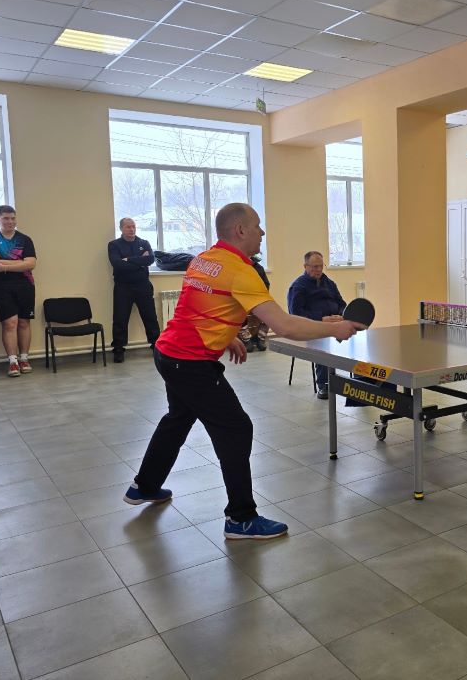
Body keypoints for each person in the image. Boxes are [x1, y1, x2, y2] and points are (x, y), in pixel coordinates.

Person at [125, 203, 362, 540]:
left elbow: (197, 308)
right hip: (190, 362)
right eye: (257, 226)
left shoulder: (204, 259)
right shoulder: (240, 271)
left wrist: (228, 335)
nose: (262, 233)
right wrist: (334, 329)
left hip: (168, 352)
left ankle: (145, 486)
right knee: (236, 428)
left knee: (178, 418)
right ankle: (241, 518)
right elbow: (285, 325)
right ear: (240, 230)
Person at [0, 205, 37, 378]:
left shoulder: (25, 239)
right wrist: (20, 263)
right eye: (6, 218)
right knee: (10, 323)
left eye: (13, 218)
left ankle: (24, 358)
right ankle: (13, 361)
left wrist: (4, 265)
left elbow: (31, 264)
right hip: (2, 287)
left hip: (25, 285)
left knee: (24, 322)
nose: (10, 222)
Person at [287, 251, 346, 399]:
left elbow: (342, 304)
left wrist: (341, 315)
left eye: (320, 266)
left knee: (358, 335)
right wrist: (321, 319)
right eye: (314, 267)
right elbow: (295, 313)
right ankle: (324, 384)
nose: (318, 270)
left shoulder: (329, 283)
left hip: (334, 323)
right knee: (324, 342)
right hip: (311, 327)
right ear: (305, 266)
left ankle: (360, 380)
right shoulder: (298, 286)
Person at [108, 217, 161, 363]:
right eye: (128, 227)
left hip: (143, 285)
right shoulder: (114, 245)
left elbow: (150, 260)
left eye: (133, 226)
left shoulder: (144, 243)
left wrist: (128, 259)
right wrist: (139, 261)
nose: (131, 229)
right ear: (121, 229)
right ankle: (118, 349)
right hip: (123, 287)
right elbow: (117, 264)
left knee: (150, 317)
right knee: (120, 319)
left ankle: (156, 346)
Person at [242, 255, 270, 353]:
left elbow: (266, 284)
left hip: (258, 297)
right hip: (242, 298)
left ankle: (260, 338)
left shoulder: (259, 268)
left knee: (268, 315)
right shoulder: (238, 267)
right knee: (239, 317)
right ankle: (246, 340)